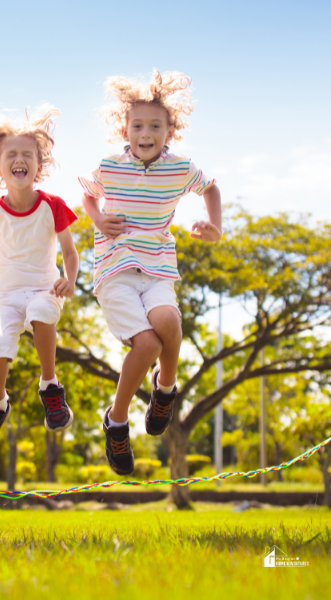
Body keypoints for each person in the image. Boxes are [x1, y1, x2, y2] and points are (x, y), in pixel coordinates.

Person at [79, 71, 222, 475]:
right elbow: (89, 194)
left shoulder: (180, 168)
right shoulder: (110, 164)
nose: (146, 133)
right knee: (146, 345)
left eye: (155, 126)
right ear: (124, 129)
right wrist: (98, 217)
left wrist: (215, 227)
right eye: (138, 125)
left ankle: (165, 387)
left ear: (169, 131)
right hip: (116, 268)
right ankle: (117, 421)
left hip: (158, 264)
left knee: (168, 321)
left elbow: (211, 188)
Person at [0, 106, 79, 456]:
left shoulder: (52, 205)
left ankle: (50, 387)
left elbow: (70, 252)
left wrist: (70, 279)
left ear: (40, 165)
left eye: (28, 154)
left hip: (45, 287)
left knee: (41, 310)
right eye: (12, 155)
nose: (20, 159)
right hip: (6, 295)